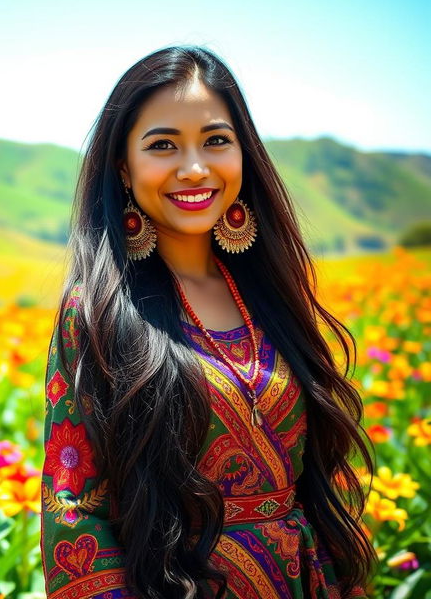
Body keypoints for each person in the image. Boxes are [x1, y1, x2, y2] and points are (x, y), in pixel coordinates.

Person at [40, 45, 378, 599]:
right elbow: (74, 510)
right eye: (163, 145)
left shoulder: (272, 293)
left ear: (243, 153)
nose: (194, 168)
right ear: (124, 167)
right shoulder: (96, 313)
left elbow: (319, 477)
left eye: (216, 141)